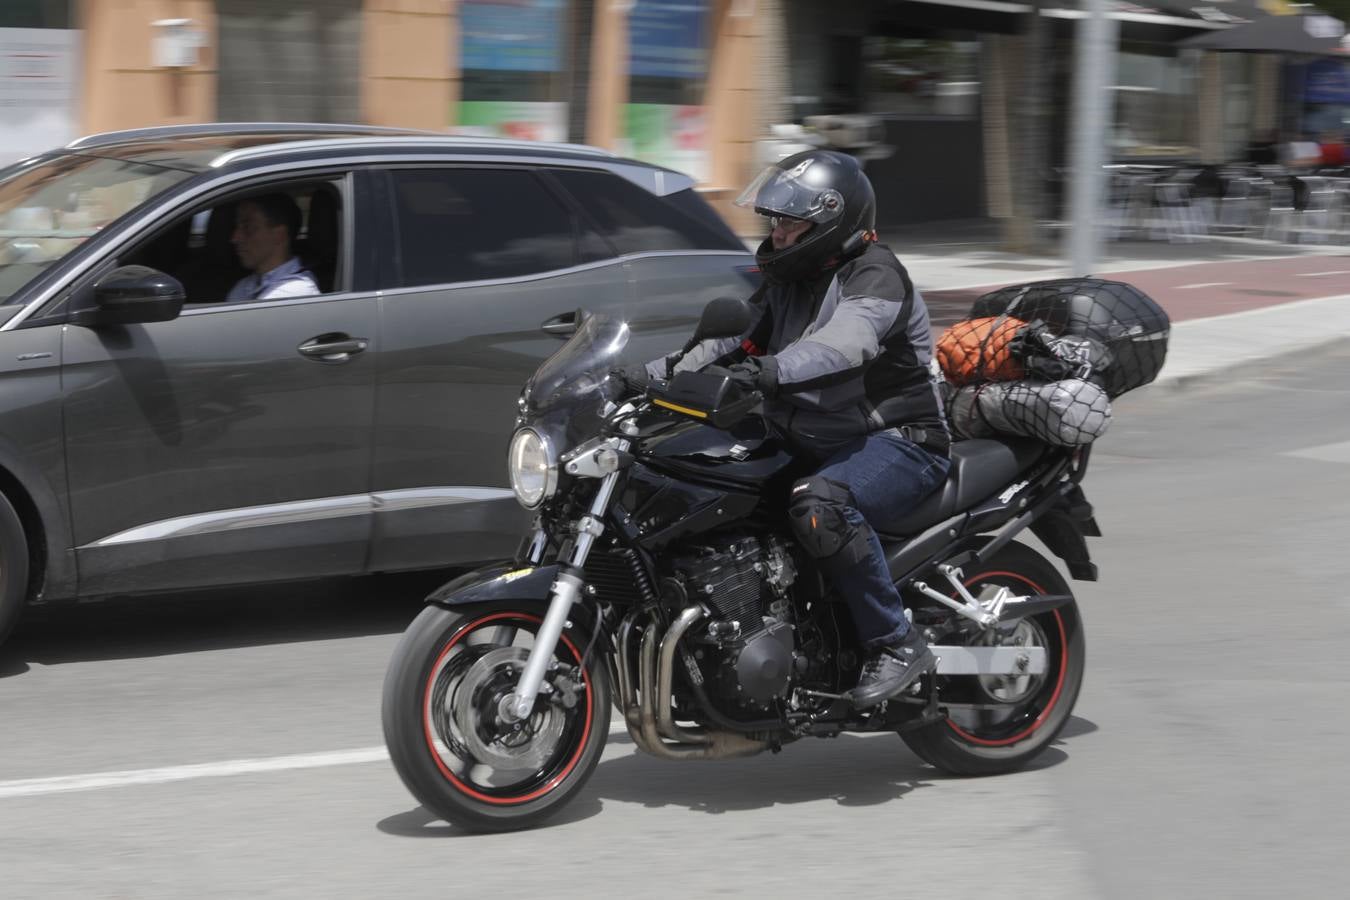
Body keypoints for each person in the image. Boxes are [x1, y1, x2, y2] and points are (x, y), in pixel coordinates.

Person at [630, 150, 951, 707]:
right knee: (700, 484)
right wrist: (645, 375)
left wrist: (770, 371)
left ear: (834, 223)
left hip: (899, 441)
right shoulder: (790, 281)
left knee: (819, 504)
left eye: (792, 222)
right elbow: (730, 341)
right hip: (815, 438)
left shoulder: (875, 274)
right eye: (774, 221)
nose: (778, 234)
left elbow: (844, 342)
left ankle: (895, 642)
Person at [224, 193, 318, 302]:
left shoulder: (297, 291)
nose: (235, 238)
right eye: (236, 227)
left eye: (247, 227)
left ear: (279, 235)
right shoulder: (244, 286)